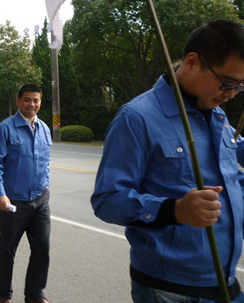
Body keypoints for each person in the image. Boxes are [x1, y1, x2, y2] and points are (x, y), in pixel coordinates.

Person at [91, 19, 244, 303]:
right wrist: (175, 210)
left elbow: (233, 177)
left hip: (227, 282)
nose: (232, 94)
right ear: (192, 62)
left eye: (240, 87)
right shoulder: (136, 118)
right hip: (170, 291)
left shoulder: (217, 114)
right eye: (227, 83)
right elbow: (107, 200)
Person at [0, 83, 52, 303]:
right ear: (18, 101)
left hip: (40, 200)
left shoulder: (43, 128)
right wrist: (0, 194)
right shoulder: (6, 128)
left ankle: (34, 293)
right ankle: (5, 295)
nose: (32, 104)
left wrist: (47, 185)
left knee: (42, 248)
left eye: (36, 100)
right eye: (27, 100)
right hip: (13, 203)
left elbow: (46, 162)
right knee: (7, 251)